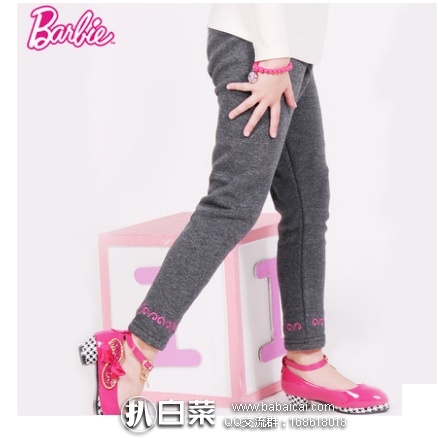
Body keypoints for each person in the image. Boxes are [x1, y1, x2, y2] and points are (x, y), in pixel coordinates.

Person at [79, 3, 390, 415]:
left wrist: (283, 54)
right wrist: (273, 56)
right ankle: (133, 352)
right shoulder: (269, 51)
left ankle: (306, 360)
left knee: (307, 204)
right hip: (261, 48)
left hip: (290, 50)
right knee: (232, 204)